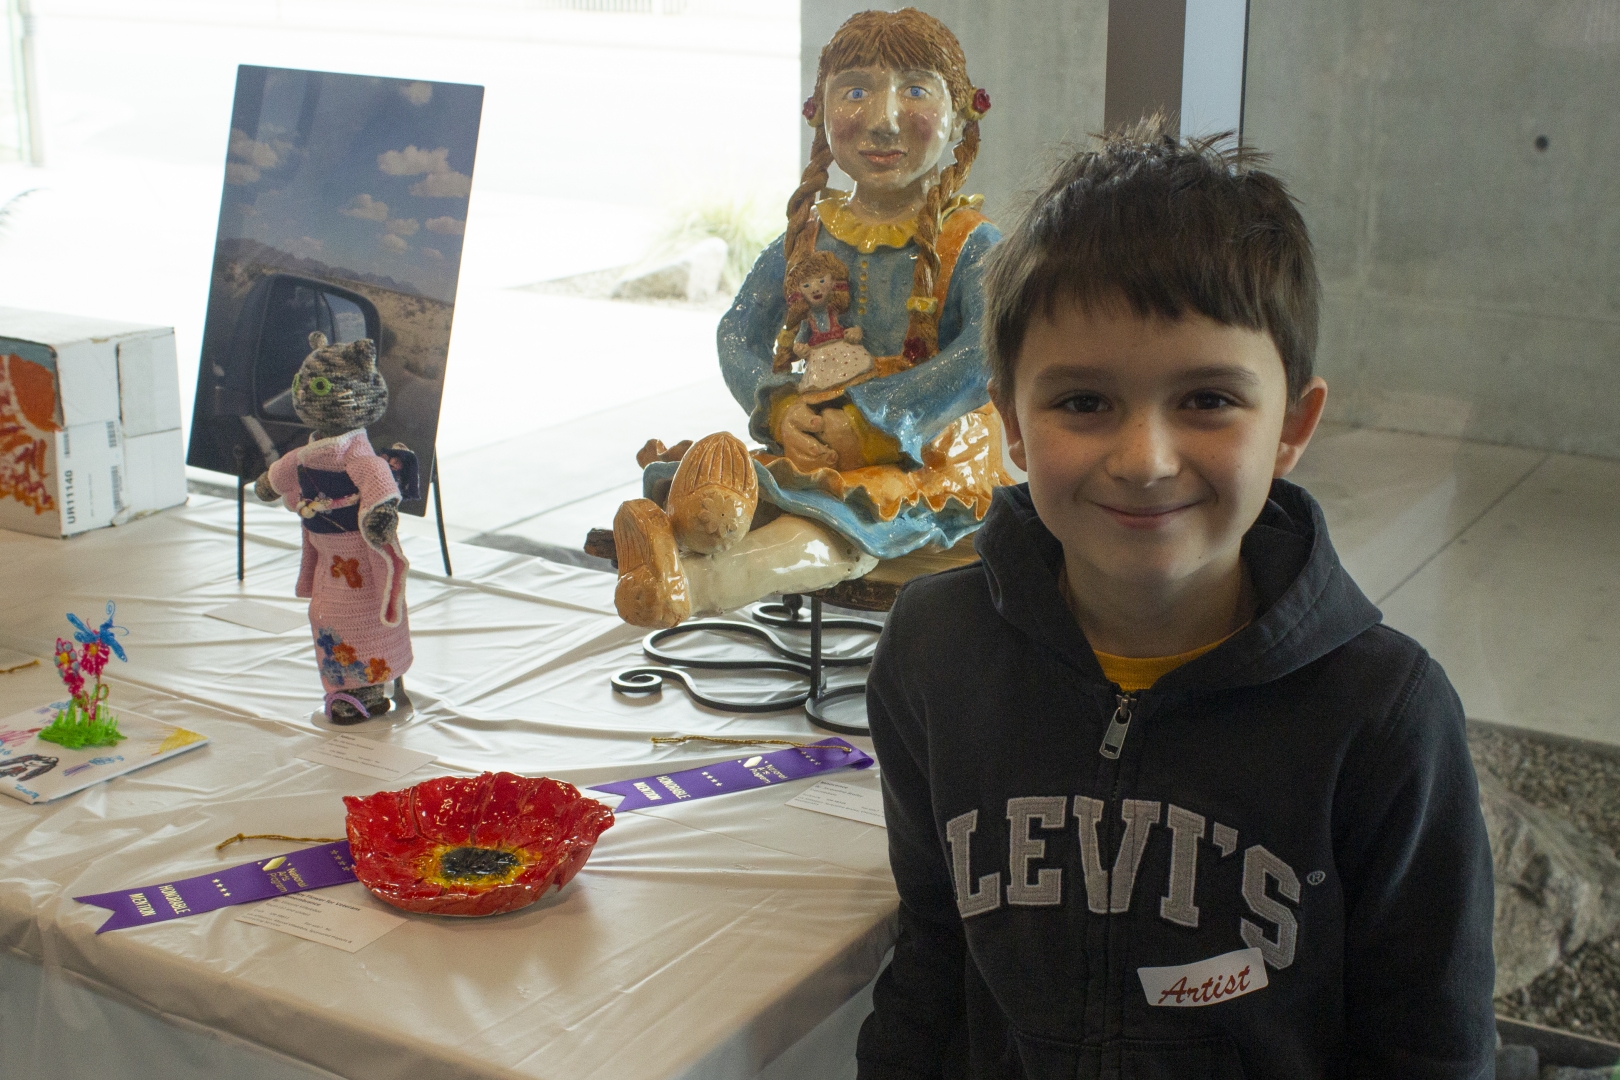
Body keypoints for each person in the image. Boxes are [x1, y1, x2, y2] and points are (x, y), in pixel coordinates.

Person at [857, 120, 1496, 1079]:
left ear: (1293, 425)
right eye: (1083, 403)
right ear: (1012, 428)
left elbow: (1430, 1047)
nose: (1145, 461)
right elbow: (934, 955)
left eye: (1206, 400)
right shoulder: (931, 653)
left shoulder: (1385, 717)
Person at [612, 8, 1011, 628]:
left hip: (928, 455)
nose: (882, 119)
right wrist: (776, 405)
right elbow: (738, 333)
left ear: (960, 114)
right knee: (779, 491)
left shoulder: (971, 243)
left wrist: (877, 422)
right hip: (815, 439)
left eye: (914, 90)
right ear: (819, 114)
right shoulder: (810, 236)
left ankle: (689, 582)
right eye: (856, 90)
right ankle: (699, 520)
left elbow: (986, 350)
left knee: (831, 528)